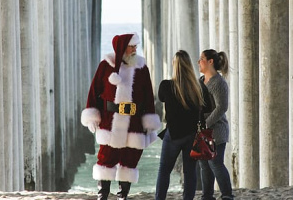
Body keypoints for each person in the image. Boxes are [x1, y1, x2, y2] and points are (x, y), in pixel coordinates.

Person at [81, 33, 162, 200]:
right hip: (110, 121)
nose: (134, 50)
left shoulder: (141, 67)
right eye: (131, 46)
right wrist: (92, 116)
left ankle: (122, 194)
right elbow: (94, 91)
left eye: (135, 46)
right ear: (122, 48)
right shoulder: (106, 65)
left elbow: (148, 96)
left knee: (130, 158)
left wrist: (149, 121)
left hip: (134, 121)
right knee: (106, 157)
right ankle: (103, 193)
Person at [155, 50, 213, 200]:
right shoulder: (198, 87)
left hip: (173, 134)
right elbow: (207, 108)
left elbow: (160, 97)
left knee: (164, 171)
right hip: (192, 135)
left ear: (175, 65)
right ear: (189, 66)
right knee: (190, 172)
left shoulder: (167, 85)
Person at [197, 49, 234, 200]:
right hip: (201, 129)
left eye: (201, 59)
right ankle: (207, 196)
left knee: (215, 163)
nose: (198, 62)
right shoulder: (200, 80)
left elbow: (222, 107)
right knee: (204, 164)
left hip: (216, 130)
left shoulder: (219, 82)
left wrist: (206, 123)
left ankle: (227, 195)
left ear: (210, 61)